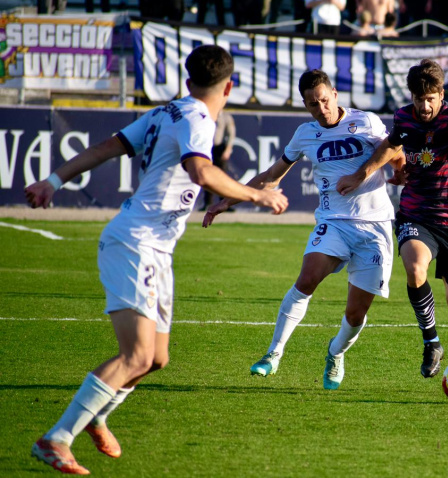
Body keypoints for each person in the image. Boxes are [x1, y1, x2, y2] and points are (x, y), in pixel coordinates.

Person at [25, 45, 288, 475]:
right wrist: (257, 195)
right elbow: (201, 172)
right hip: (136, 242)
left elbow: (106, 147)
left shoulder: (166, 111)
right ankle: (57, 438)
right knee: (136, 356)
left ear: (188, 82)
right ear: (230, 87)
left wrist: (53, 180)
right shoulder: (198, 119)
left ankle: (98, 415)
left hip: (155, 248)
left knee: (157, 358)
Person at [204, 69, 402, 389]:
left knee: (356, 314)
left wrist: (397, 170)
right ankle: (273, 353)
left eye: (324, 100)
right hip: (333, 222)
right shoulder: (305, 134)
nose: (321, 109)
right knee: (307, 279)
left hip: (374, 226)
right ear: (305, 105)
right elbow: (272, 175)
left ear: (334, 94)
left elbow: (394, 151)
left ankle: (336, 352)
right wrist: (226, 201)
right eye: (313, 104)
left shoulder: (366, 121)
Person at [337, 59, 448, 378]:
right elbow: (391, 145)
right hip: (416, 214)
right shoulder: (404, 117)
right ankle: (431, 342)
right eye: (419, 99)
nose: (424, 106)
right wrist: (361, 174)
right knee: (415, 267)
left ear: (441, 94)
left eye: (430, 99)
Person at [202, 109, 236, 210]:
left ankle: (225, 202)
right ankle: (208, 202)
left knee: (222, 176)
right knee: (207, 175)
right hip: (207, 147)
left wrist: (228, 149)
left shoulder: (225, 116)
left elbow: (231, 134)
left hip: (219, 148)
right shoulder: (207, 114)